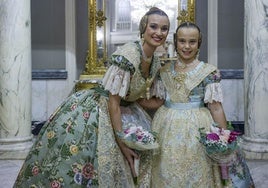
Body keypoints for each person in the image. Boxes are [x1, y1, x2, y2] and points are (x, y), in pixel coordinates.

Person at [14, 7, 170, 188]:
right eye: (153, 26)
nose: (159, 32)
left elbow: (141, 98)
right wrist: (122, 143)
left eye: (164, 28)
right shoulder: (128, 55)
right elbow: (114, 102)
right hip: (99, 109)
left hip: (125, 108)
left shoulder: (155, 61)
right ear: (144, 28)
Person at [151, 22, 255, 188]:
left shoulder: (208, 71)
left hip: (198, 128)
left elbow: (215, 107)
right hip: (166, 127)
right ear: (175, 42)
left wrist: (224, 139)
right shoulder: (164, 71)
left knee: (196, 170)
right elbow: (158, 101)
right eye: (182, 41)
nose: (186, 46)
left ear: (199, 43)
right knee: (166, 169)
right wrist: (131, 101)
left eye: (192, 42)